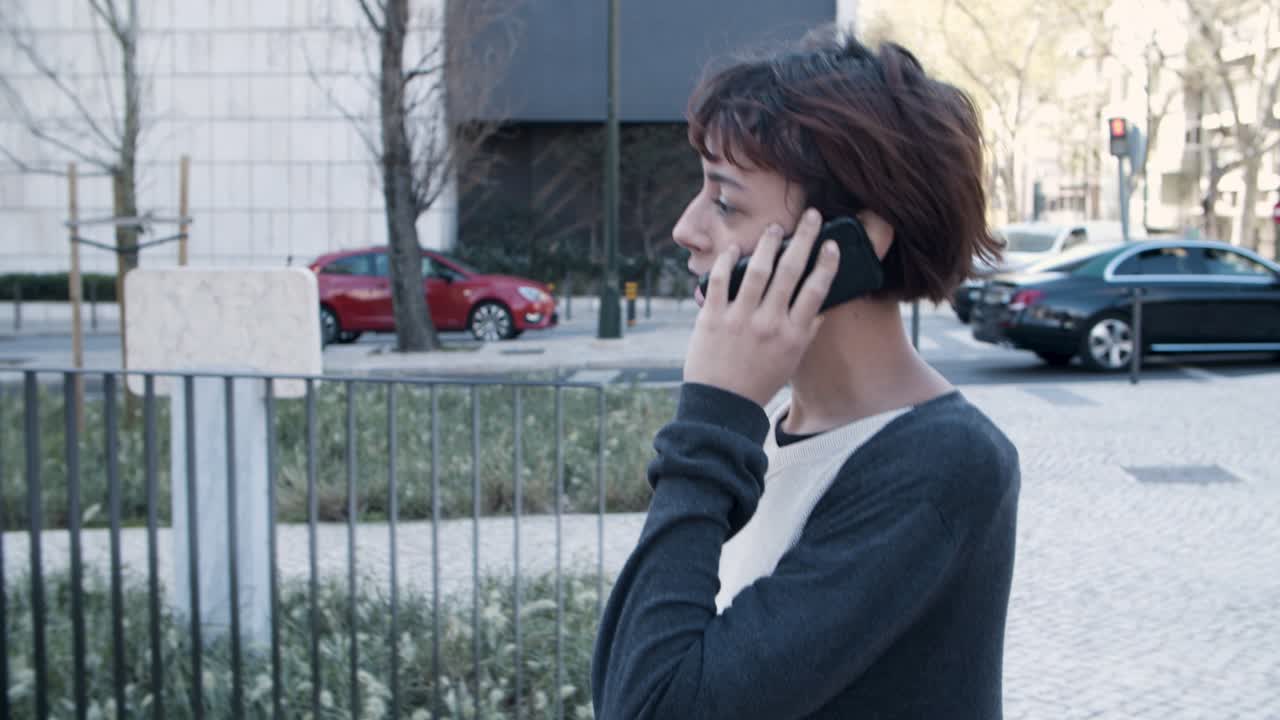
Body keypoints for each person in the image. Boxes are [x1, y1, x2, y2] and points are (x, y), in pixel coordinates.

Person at [591, 27, 1021, 720]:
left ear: (853, 242)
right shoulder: (768, 426)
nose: (686, 228)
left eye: (726, 203)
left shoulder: (942, 465)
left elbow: (648, 708)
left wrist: (709, 418)